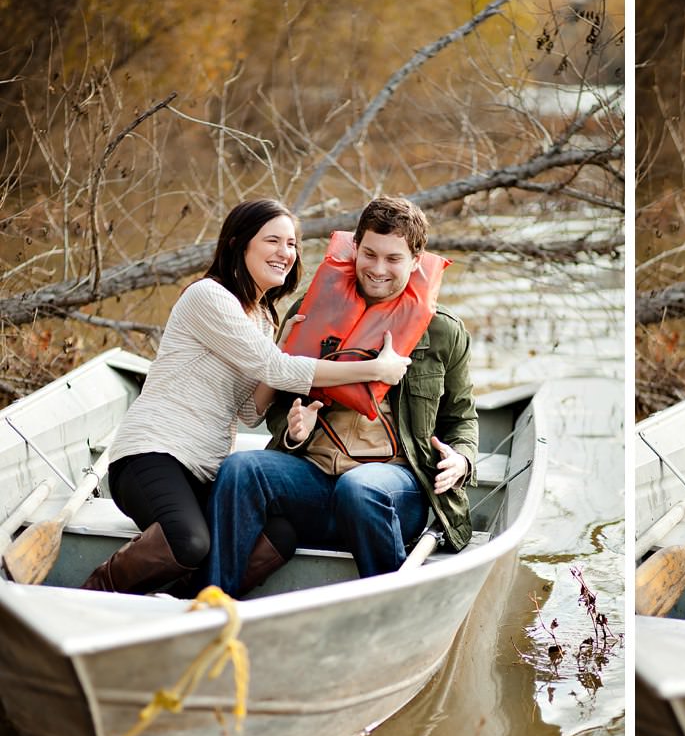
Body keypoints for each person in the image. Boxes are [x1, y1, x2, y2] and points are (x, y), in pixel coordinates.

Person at [83, 199, 410, 594]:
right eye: (273, 240)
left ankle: (188, 605)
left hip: (203, 468)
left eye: (291, 244)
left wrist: (285, 346)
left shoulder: (262, 316)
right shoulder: (209, 296)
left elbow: (249, 412)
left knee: (280, 534)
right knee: (191, 542)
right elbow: (276, 368)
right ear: (239, 243)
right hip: (152, 454)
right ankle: (95, 592)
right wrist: (375, 370)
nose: (285, 253)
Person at [202, 195, 477, 596]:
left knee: (360, 488)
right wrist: (294, 431)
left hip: (393, 488)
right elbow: (280, 405)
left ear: (416, 260)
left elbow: (462, 418)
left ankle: (392, 606)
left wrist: (463, 460)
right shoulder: (313, 311)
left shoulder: (444, 332)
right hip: (314, 479)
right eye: (369, 254)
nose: (378, 269)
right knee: (241, 468)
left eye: (393, 259)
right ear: (355, 248)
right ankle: (213, 602)